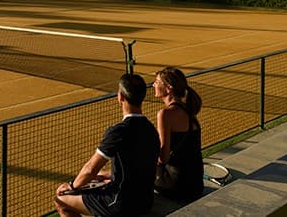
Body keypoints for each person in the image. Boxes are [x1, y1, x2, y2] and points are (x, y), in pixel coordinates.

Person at [54, 73, 160, 217]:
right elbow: (140, 168)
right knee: (99, 179)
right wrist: (106, 175)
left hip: (121, 204)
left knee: (61, 200)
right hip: (145, 202)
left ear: (120, 97)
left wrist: (71, 185)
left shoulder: (118, 131)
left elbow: (90, 169)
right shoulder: (151, 129)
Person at [153, 66, 203, 200]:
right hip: (195, 185)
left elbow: (163, 158)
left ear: (169, 88)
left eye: (157, 82)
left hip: (176, 186)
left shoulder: (165, 114)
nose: (153, 84)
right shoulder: (189, 109)